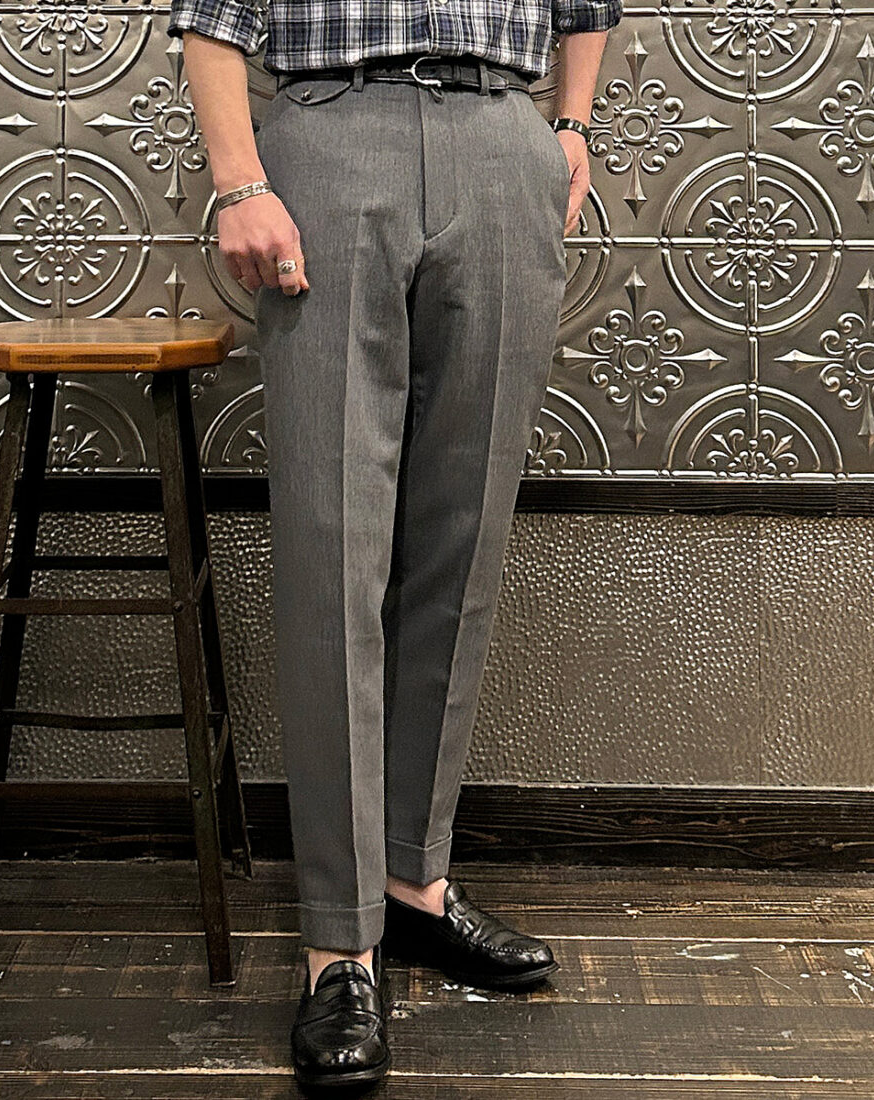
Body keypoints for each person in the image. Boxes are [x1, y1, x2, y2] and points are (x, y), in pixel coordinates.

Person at [168, 0, 621, 1087]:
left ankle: (415, 882)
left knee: (464, 538)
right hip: (333, 133)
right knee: (332, 549)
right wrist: (238, 181)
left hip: (501, 139)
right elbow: (209, 15)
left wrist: (569, 126)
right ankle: (339, 941)